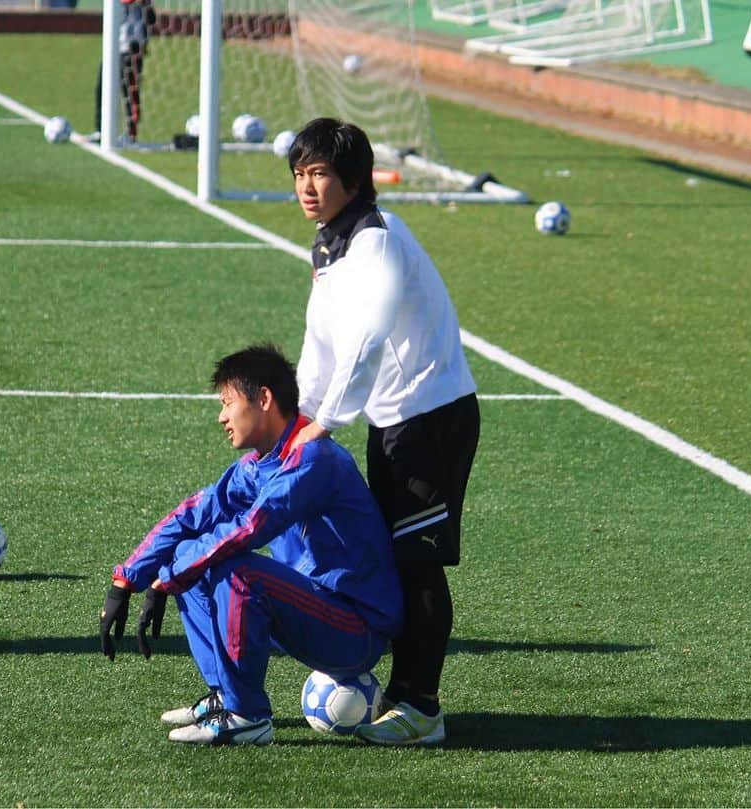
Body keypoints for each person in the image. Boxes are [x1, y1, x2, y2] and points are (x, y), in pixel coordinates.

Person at [99, 344, 403, 746]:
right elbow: (194, 515)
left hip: (355, 629)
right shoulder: (259, 464)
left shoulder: (313, 459)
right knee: (192, 554)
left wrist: (167, 579)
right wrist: (127, 579)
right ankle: (225, 698)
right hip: (312, 610)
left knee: (230, 567)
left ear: (263, 399)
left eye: (227, 403)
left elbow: (251, 528)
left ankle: (248, 716)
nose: (220, 416)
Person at [286, 118, 480, 746]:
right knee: (396, 558)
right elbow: (322, 342)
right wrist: (298, 416)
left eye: (320, 173)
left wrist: (327, 421)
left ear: (354, 179)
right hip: (392, 421)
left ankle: (422, 706)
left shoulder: (376, 238)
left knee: (418, 564)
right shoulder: (329, 243)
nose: (308, 187)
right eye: (299, 174)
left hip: (432, 417)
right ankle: (400, 693)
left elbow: (369, 334)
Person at [93, 0, 156, 143]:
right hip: (113, 45)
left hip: (131, 47)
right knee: (101, 87)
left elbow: (150, 17)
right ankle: (100, 131)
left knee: (130, 92)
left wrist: (144, 42)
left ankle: (131, 134)